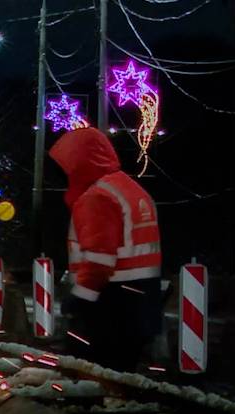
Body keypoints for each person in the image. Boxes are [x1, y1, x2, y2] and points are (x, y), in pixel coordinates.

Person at [49, 127, 163, 372]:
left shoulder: (96, 197)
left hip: (111, 300)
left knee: (94, 371)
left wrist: (80, 298)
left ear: (79, 163)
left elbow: (99, 258)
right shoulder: (130, 188)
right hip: (143, 294)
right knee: (124, 374)